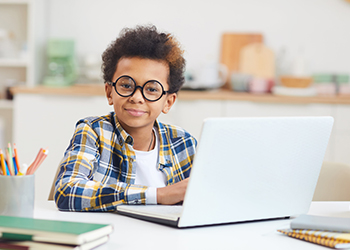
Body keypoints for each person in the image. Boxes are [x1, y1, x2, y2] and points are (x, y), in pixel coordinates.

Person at [54, 25, 197, 211]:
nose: (137, 97)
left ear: (168, 102)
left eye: (152, 89)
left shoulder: (184, 143)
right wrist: (158, 195)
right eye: (126, 85)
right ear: (109, 92)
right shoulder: (93, 131)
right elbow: (67, 191)